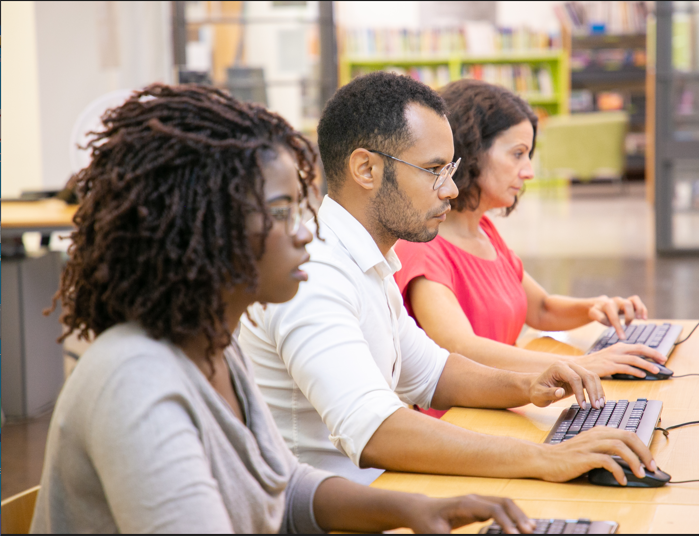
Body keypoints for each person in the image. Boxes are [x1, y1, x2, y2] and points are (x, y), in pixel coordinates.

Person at [31, 83, 535, 534]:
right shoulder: (136, 383)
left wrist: (411, 511)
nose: (303, 231)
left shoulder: (214, 350)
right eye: (280, 212)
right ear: (206, 226)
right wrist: (540, 457)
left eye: (300, 206)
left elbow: (284, 490)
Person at [239, 72, 657, 487]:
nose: (452, 190)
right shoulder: (315, 276)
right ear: (365, 169)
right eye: (433, 169)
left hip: (382, 495)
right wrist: (544, 458)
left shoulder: (368, 259)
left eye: (450, 168)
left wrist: (530, 384)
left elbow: (433, 374)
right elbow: (374, 432)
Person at [394, 80, 666, 419]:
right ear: (473, 151)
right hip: (462, 422)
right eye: (517, 154)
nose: (529, 172)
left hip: (506, 406)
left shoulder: (484, 231)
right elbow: (461, 348)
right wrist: (583, 363)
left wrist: (597, 306)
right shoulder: (423, 246)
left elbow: (542, 309)